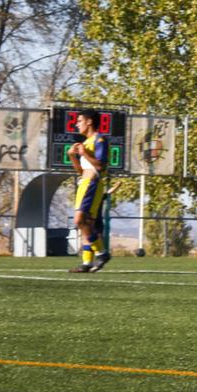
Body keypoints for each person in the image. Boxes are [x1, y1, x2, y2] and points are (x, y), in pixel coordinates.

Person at [68, 110, 111, 273]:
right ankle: (87, 263)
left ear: (89, 122)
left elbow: (100, 166)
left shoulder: (99, 139)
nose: (76, 124)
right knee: (87, 224)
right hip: (84, 182)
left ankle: (102, 252)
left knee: (79, 220)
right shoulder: (85, 143)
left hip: (92, 184)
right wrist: (72, 156)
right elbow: (82, 171)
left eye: (79, 121)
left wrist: (84, 153)